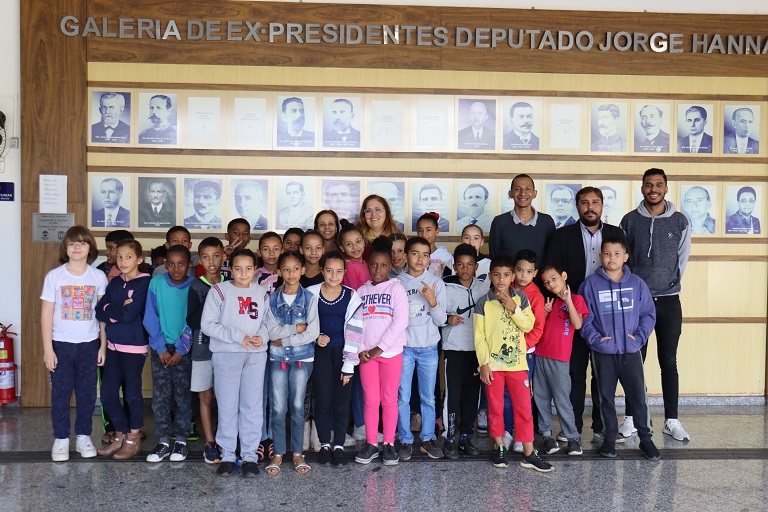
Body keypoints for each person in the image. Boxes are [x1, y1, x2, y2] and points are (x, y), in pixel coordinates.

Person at [544, 186, 626, 443]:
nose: (590, 207)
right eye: (584, 203)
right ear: (577, 206)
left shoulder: (616, 234)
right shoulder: (561, 236)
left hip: (606, 314)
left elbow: (624, 270)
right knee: (575, 372)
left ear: (602, 205)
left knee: (603, 373)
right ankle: (573, 427)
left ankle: (602, 426)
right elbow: (552, 275)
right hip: (572, 312)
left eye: (595, 202)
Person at [620, 168, 692, 442]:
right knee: (634, 361)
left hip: (669, 301)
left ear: (666, 188)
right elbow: (623, 260)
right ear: (642, 188)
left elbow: (681, 260)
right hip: (638, 303)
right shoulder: (629, 220)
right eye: (648, 184)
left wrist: (669, 283)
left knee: (668, 361)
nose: (653, 189)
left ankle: (671, 420)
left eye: (658, 185)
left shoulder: (680, 221)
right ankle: (631, 418)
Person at [578, 235, 660, 461]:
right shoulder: (590, 285)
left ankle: (646, 439)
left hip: (631, 351)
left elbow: (648, 314)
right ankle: (609, 438)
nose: (611, 258)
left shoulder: (637, 284)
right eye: (606, 254)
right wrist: (595, 339)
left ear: (625, 257)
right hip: (603, 353)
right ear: (600, 256)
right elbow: (585, 317)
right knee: (605, 396)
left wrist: (639, 338)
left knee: (638, 395)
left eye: (616, 254)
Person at [473, 254, 552, 472]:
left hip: (518, 365)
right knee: (496, 408)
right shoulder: (483, 303)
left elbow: (528, 325)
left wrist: (513, 308)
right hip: (494, 368)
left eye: (506, 275)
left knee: (524, 409)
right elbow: (479, 337)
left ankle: (529, 452)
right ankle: (500, 448)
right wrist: (484, 364)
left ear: (512, 277)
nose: (501, 279)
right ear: (490, 276)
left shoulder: (521, 299)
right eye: (496, 275)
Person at [201, 248, 269, 478]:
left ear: (256, 270)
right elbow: (208, 325)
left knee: (252, 405)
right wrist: (238, 336)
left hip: (255, 356)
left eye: (248, 268)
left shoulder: (262, 293)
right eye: (238, 269)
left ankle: (249, 456)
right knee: (228, 406)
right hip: (227, 354)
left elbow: (267, 323)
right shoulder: (219, 291)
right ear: (230, 269)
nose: (243, 273)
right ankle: (228, 455)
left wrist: (263, 337)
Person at [41, 226, 107, 461]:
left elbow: (102, 315)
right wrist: (48, 349)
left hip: (89, 345)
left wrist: (102, 345)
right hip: (61, 345)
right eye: (72, 243)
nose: (77, 247)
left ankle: (83, 437)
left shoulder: (97, 276)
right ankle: (61, 439)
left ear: (90, 247)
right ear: (65, 248)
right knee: (60, 394)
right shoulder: (55, 276)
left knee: (87, 394)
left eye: (82, 243)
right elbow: (46, 315)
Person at [347, 236, 409, 465]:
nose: (378, 269)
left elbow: (400, 321)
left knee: (389, 399)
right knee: (371, 400)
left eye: (383, 265)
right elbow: (355, 323)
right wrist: (362, 350)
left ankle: (390, 444)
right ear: (367, 265)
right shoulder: (361, 292)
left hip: (390, 354)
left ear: (390, 266)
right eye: (373, 264)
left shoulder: (396, 289)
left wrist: (378, 349)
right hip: (366, 356)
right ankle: (372, 443)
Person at [264, 251, 320, 475]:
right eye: (285, 269)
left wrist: (285, 338)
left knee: (297, 407)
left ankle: (298, 453)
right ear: (279, 272)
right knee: (278, 408)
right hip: (277, 359)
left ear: (303, 270)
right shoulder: (271, 299)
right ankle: (278, 453)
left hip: (302, 358)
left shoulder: (309, 299)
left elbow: (312, 331)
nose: (291, 273)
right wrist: (296, 328)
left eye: (295, 268)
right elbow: (269, 331)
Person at [95, 239, 150, 460]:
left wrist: (112, 311)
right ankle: (120, 434)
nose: (123, 261)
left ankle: (133, 438)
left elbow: (129, 315)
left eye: (128, 257)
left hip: (134, 347)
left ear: (139, 259)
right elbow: (99, 311)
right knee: (107, 395)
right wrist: (116, 308)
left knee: (133, 395)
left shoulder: (145, 284)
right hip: (113, 347)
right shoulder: (116, 283)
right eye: (119, 256)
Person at [306, 251, 362, 466]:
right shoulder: (311, 293)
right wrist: (315, 337)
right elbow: (305, 323)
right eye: (329, 270)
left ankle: (338, 445)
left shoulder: (351, 295)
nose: (333, 275)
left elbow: (356, 331)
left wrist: (349, 364)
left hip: (344, 355)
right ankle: (324, 444)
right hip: (320, 354)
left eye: (339, 271)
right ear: (322, 271)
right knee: (323, 399)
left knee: (341, 400)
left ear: (344, 273)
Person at [395, 236, 447, 461]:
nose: (420, 259)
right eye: (415, 253)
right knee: (403, 396)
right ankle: (405, 439)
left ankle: (427, 438)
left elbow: (441, 320)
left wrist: (433, 301)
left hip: (428, 348)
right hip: (404, 348)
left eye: (425, 255)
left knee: (428, 397)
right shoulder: (397, 283)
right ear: (406, 256)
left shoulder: (436, 282)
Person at [142, 244, 195, 463]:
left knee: (183, 397)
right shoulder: (156, 283)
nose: (176, 268)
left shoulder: (196, 287)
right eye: (171, 264)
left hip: (184, 350)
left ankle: (180, 440)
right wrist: (161, 348)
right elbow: (150, 317)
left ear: (190, 265)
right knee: (161, 397)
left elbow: (195, 321)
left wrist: (181, 350)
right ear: (164, 265)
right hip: (161, 350)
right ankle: (163, 440)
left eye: (181, 264)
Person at [535, 263, 589, 457]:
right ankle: (547, 436)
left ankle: (573, 437)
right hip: (540, 355)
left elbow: (577, 323)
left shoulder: (576, 299)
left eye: (554, 279)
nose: (550, 284)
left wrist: (569, 302)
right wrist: (545, 312)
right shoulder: (547, 301)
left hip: (560, 359)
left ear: (564, 276)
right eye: (546, 282)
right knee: (541, 398)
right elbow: (536, 327)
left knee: (562, 399)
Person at [441, 243, 488, 459]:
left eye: (470, 264)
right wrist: (446, 319)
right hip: (454, 349)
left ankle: (466, 437)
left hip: (476, 351)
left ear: (476, 266)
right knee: (453, 395)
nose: (465, 269)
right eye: (460, 264)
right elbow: (435, 312)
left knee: (472, 396)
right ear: (454, 265)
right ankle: (450, 437)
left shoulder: (483, 289)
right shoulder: (445, 287)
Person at [186, 237, 226, 465]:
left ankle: (225, 439)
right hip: (202, 348)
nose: (212, 261)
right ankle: (210, 441)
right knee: (206, 395)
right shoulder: (196, 286)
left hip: (226, 350)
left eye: (216, 256)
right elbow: (191, 320)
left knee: (225, 397)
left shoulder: (230, 283)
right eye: (206, 257)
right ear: (199, 259)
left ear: (224, 256)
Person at [489, 174, 555, 266]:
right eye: (517, 189)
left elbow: (551, 257)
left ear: (535, 193)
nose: (523, 193)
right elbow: (495, 258)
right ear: (510, 193)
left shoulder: (547, 222)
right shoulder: (499, 222)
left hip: (539, 280)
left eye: (527, 189)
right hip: (508, 280)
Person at [357, 194, 402, 261]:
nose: (373, 214)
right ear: (364, 215)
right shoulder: (356, 238)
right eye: (368, 211)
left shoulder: (399, 237)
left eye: (378, 209)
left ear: (386, 212)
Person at [417, 213, 453, 278]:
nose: (424, 234)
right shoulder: (413, 255)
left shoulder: (446, 257)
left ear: (437, 230)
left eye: (428, 230)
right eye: (420, 230)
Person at [338, 220, 371, 291]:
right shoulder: (349, 267)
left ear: (364, 242)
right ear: (342, 248)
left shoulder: (364, 263)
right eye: (349, 244)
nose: (355, 247)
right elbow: (353, 296)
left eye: (358, 241)